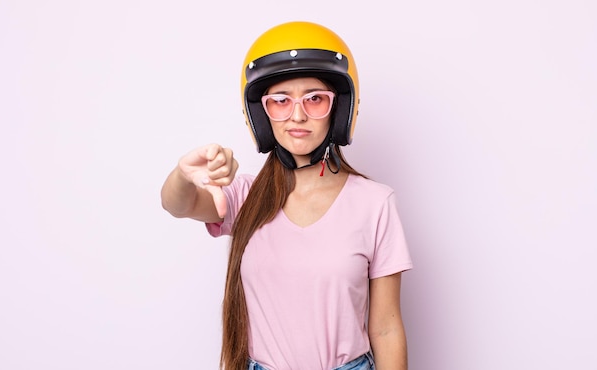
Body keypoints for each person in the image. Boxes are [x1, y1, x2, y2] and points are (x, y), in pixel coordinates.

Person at [161, 21, 413, 370]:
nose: (298, 115)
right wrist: (183, 174)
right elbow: (179, 204)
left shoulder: (375, 203)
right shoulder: (245, 196)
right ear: (262, 114)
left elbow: (386, 329)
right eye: (280, 101)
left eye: (315, 99)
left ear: (338, 110)